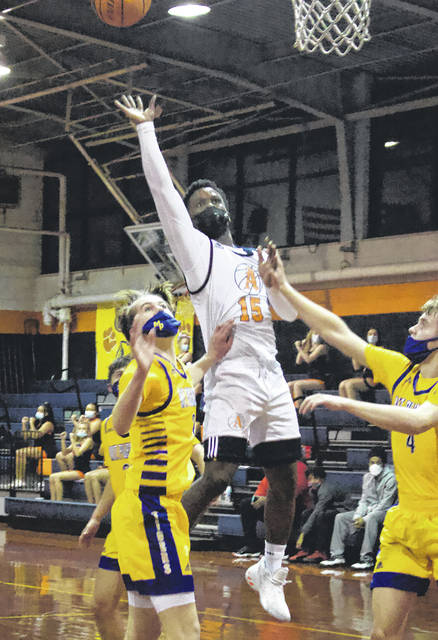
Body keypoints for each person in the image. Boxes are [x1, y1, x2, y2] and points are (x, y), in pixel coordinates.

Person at [115, 94, 301, 623]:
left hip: (270, 371)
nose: (203, 202)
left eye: (210, 195)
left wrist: (279, 283)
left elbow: (285, 313)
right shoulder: (200, 255)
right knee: (219, 472)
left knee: (286, 476)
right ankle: (168, 543)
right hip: (233, 375)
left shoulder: (251, 256)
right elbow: (163, 198)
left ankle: (270, 567)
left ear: (225, 205)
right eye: (195, 201)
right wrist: (146, 133)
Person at [257, 241, 438, 640]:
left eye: (424, 321)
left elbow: (420, 421)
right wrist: (284, 287)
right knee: (381, 635)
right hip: (407, 520)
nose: (411, 327)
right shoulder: (402, 371)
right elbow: (337, 332)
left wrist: (345, 404)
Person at [110, 284, 234, 640]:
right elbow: (120, 423)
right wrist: (138, 369)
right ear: (134, 331)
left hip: (161, 509)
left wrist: (211, 357)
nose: (160, 309)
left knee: (144, 630)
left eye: (162, 304)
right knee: (186, 631)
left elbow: (188, 378)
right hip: (151, 510)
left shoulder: (176, 369)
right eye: (148, 309)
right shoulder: (145, 374)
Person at [79, 355, 159, 640]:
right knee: (101, 605)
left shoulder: (154, 418)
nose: (123, 385)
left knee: (146, 610)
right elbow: (116, 477)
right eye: (117, 381)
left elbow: (192, 452)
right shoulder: (108, 426)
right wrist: (96, 517)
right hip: (121, 526)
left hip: (152, 524)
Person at [320, 446, 397, 570]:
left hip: (385, 511)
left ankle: (367, 559)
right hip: (369, 510)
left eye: (378, 462)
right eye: (372, 462)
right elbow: (363, 500)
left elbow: (385, 504)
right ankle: (337, 555)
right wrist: (357, 516)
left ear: (383, 463)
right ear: (368, 462)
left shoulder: (391, 478)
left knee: (372, 518)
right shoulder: (367, 477)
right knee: (341, 517)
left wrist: (365, 519)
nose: (375, 465)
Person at [233, 459, 309, 559]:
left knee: (283, 507)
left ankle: (283, 548)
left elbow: (295, 490)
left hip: (295, 508)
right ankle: (252, 545)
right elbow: (262, 488)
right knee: (247, 505)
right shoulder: (276, 466)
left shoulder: (299, 466)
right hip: (274, 503)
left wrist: (267, 499)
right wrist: (256, 499)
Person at [289, 466, 345, 564]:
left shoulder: (325, 490)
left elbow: (318, 510)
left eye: (313, 479)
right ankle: (305, 549)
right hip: (328, 508)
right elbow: (314, 509)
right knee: (306, 513)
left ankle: (321, 551)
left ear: (321, 479)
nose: (311, 481)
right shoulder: (313, 490)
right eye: (309, 479)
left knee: (321, 516)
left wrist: (302, 533)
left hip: (342, 509)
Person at [49, 417, 94, 501]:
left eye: (83, 429)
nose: (81, 430)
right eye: (79, 428)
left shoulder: (88, 440)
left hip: (83, 471)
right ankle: (53, 501)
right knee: (51, 477)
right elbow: (64, 452)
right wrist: (63, 440)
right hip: (75, 469)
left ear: (87, 431)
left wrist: (73, 441)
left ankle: (58, 502)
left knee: (56, 477)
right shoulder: (77, 441)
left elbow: (78, 453)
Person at [15, 402, 57, 487]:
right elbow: (25, 436)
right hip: (37, 448)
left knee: (21, 452)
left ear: (47, 413)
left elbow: (36, 435)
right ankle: (19, 479)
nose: (38, 413)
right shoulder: (37, 423)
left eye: (41, 411)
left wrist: (31, 423)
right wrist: (24, 424)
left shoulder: (49, 423)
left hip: (47, 449)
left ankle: (20, 480)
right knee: (19, 452)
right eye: (37, 410)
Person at [289, 330, 330, 408]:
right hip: (312, 378)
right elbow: (298, 362)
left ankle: (299, 411)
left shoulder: (322, 347)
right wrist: (303, 347)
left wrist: (298, 348)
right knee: (290, 384)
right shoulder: (310, 348)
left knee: (298, 385)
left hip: (322, 379)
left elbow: (308, 360)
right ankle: (292, 409)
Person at [339, 328, 382, 400]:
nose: (372, 336)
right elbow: (357, 368)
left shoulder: (380, 349)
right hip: (363, 377)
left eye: (375, 334)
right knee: (342, 385)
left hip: (373, 379)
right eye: (370, 334)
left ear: (378, 336)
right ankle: (345, 409)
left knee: (349, 385)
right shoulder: (364, 349)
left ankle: (354, 409)